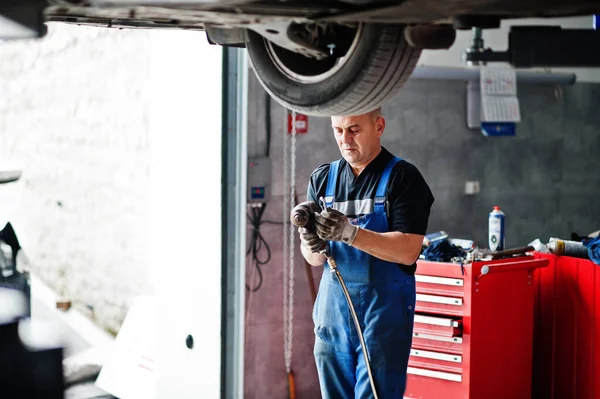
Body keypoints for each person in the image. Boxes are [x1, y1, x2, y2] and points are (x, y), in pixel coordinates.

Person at [298, 107, 434, 399]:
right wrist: (310, 241)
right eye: (338, 130)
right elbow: (315, 260)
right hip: (333, 314)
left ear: (379, 126)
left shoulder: (403, 178)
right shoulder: (323, 179)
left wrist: (350, 234)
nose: (345, 139)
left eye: (354, 130)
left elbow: (408, 250)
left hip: (381, 316)